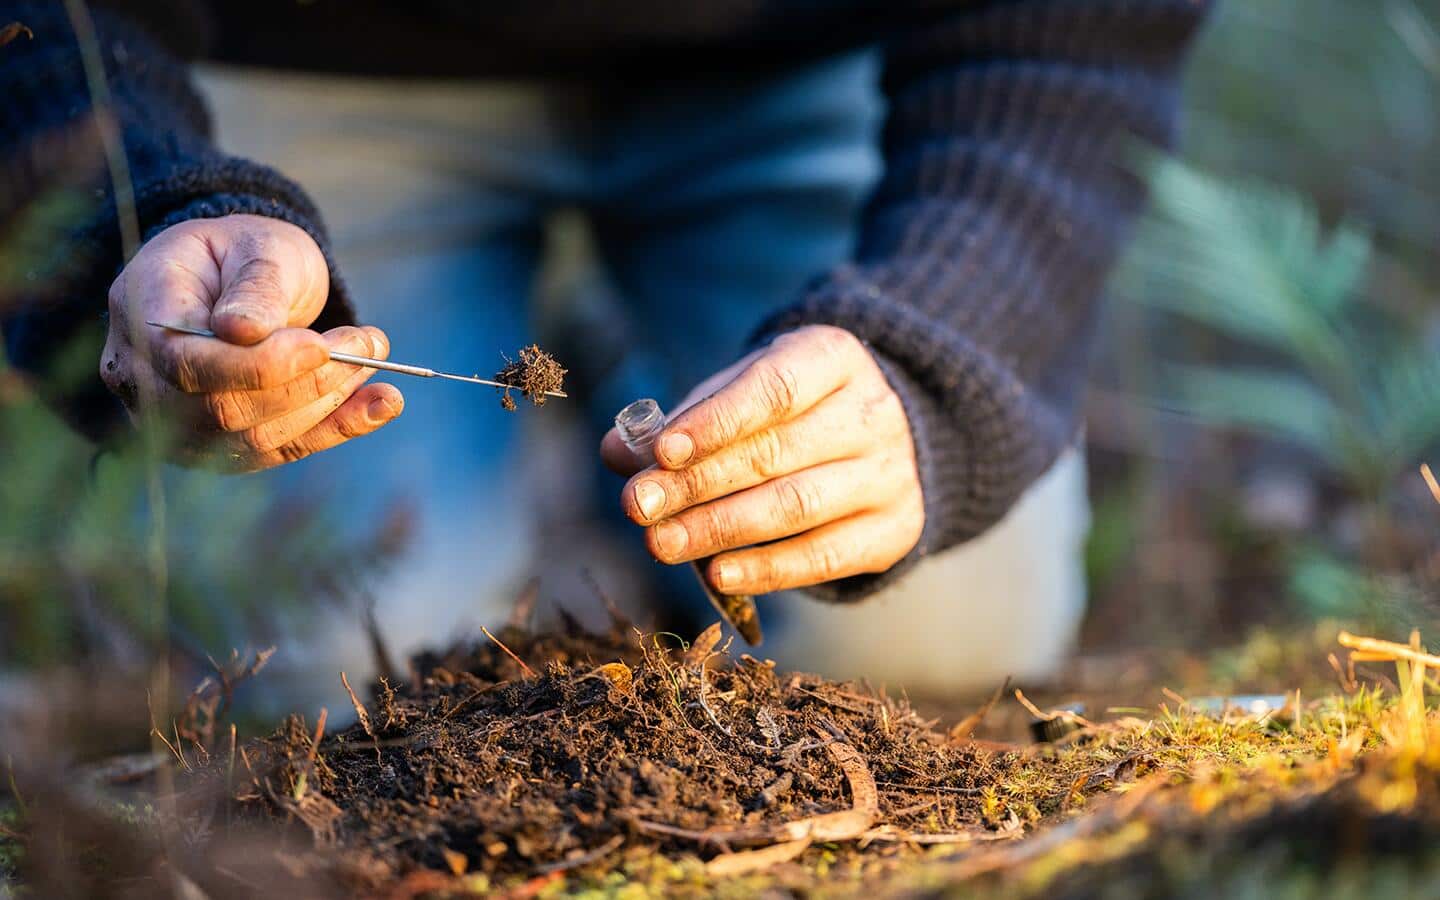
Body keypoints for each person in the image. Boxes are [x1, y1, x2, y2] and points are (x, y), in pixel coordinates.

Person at [1, 0, 1209, 695]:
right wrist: (156, 210)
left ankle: (637, 388)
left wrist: (942, 351)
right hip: (308, 53)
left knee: (927, 645)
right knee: (314, 670)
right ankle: (602, 355)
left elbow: (1083, 31)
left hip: (819, 55)